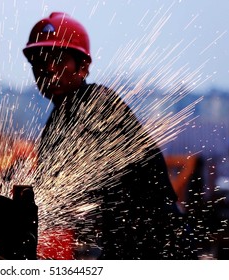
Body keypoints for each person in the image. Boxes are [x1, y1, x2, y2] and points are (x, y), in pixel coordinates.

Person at [22, 12, 196, 259]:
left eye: (59, 59)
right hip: (126, 243)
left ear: (83, 67)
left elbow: (61, 186)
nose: (48, 68)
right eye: (40, 61)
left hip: (157, 245)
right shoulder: (60, 117)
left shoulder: (97, 104)